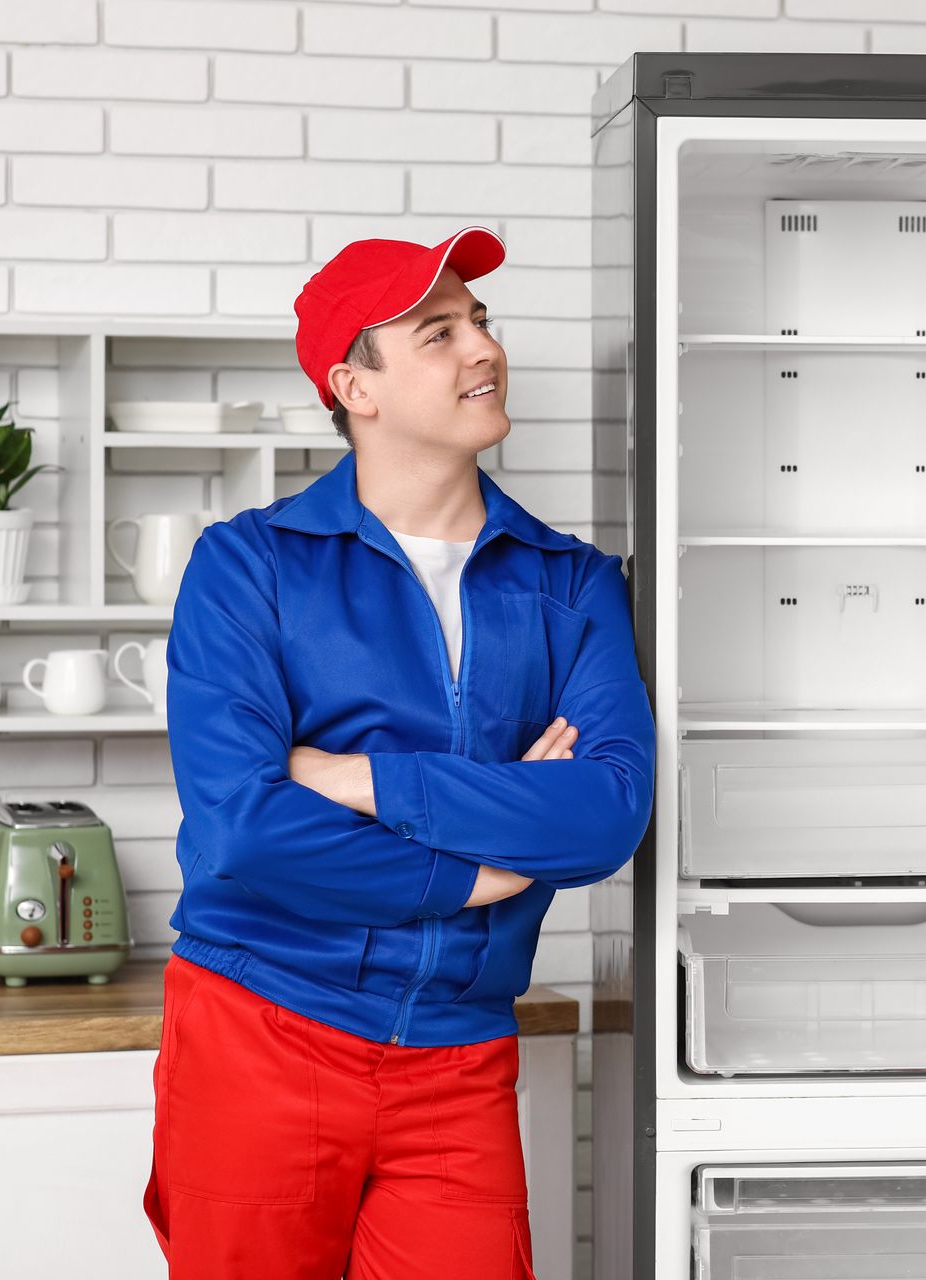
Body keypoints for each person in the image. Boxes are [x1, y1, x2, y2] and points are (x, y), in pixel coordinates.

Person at [142, 227, 656, 1278]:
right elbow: (243, 834)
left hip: (460, 1052)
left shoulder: (573, 581)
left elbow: (608, 810)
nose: (483, 348)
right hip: (262, 1031)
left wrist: (362, 777)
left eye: (482, 321)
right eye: (438, 332)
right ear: (355, 387)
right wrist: (487, 867)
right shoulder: (250, 567)